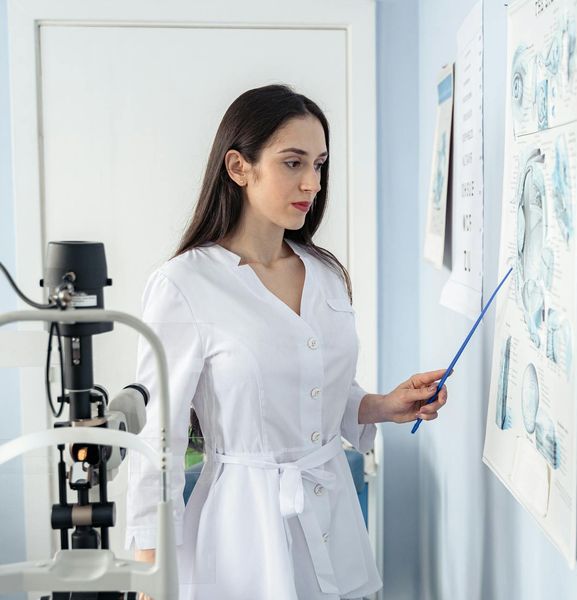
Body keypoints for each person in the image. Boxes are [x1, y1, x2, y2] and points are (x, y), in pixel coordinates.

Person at [125, 84, 448, 599]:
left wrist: (381, 406)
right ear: (239, 167)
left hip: (333, 517)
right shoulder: (185, 285)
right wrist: (149, 572)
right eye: (293, 163)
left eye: (319, 164)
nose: (312, 183)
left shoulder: (324, 273)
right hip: (242, 532)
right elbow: (157, 440)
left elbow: (312, 388)